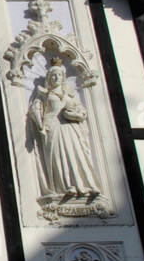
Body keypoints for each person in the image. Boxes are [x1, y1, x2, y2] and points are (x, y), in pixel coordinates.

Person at [28, 63, 101, 202]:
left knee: (76, 154)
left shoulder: (69, 95)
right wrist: (40, 126)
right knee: (58, 157)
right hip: (53, 126)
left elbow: (81, 109)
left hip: (69, 127)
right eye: (53, 75)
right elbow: (35, 109)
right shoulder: (44, 93)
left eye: (59, 74)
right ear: (49, 78)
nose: (56, 77)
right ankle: (67, 187)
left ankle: (85, 185)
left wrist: (78, 115)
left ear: (63, 77)